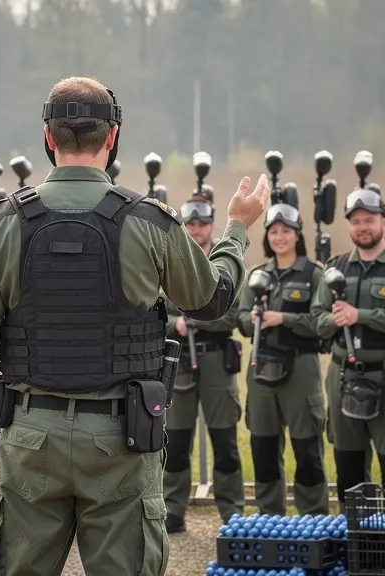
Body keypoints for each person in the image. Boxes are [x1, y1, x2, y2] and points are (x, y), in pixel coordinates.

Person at [0, 75, 267, 575]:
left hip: (30, 434)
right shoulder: (150, 222)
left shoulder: (0, 222)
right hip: (123, 436)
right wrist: (237, 229)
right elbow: (213, 300)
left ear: (48, 137)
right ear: (113, 136)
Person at [311, 188, 385, 507]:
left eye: (369, 220)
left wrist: (359, 315)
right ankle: (357, 538)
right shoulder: (334, 267)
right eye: (356, 221)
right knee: (348, 471)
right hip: (342, 377)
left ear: (383, 221)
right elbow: (317, 318)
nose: (363, 227)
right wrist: (334, 320)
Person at [237, 203, 328, 517]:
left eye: (286, 231)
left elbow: (321, 322)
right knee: (263, 447)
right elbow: (241, 320)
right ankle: (269, 516)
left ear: (298, 235)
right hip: (261, 368)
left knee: (307, 447)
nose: (279, 237)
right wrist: (252, 319)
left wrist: (283, 318)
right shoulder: (257, 275)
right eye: (273, 232)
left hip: (301, 368)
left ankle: (313, 517)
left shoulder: (314, 274)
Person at [162, 191, 244, 534]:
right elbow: (154, 310)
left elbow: (234, 315)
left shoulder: (225, 263)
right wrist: (176, 325)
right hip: (179, 360)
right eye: (191, 224)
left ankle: (232, 511)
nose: (197, 230)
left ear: (212, 226)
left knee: (224, 441)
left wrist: (196, 319)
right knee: (176, 441)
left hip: (216, 361)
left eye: (203, 224)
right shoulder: (169, 258)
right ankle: (173, 509)